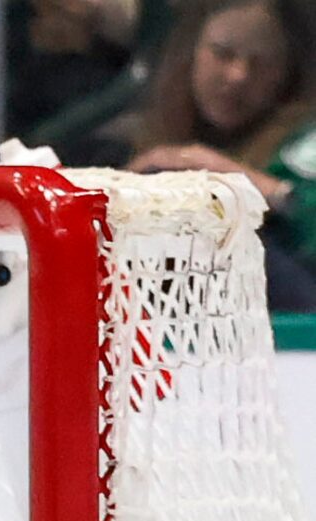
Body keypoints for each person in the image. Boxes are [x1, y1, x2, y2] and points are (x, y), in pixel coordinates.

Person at [128, 0, 316, 300]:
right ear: (190, 51)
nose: (238, 75)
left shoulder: (306, 145)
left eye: (262, 63)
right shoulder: (138, 138)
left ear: (288, 71)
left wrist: (235, 178)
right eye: (222, 53)